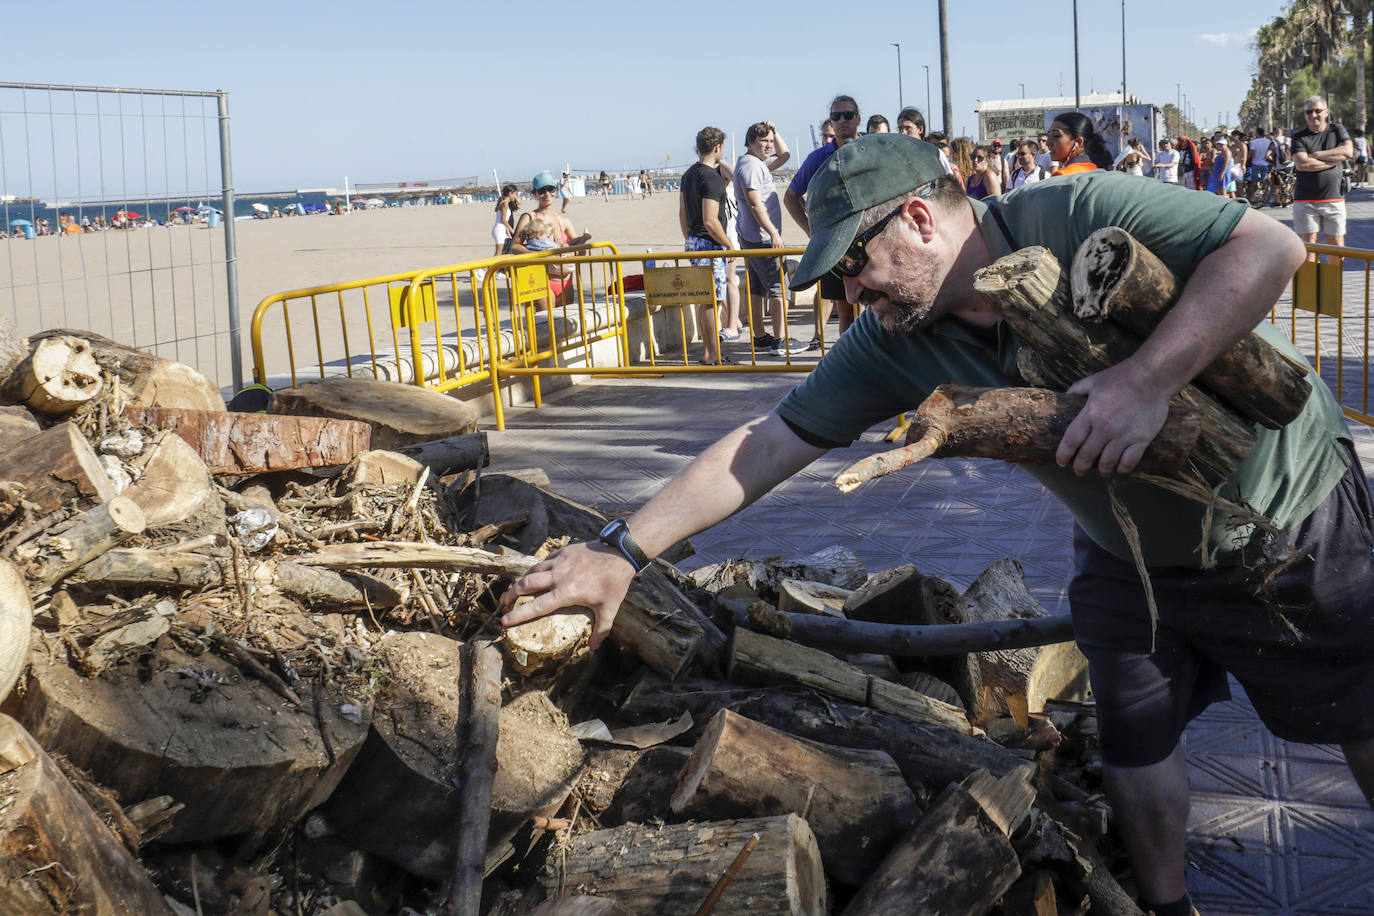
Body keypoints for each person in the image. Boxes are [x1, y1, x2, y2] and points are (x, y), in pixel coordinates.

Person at [499, 133, 1374, 916]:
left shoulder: (1076, 209)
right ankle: (1167, 904)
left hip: (1286, 518)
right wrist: (621, 551)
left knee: (1360, 713)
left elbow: (1271, 244)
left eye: (857, 264)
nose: (851, 293)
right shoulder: (891, 338)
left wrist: (1146, 379)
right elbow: (766, 443)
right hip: (1126, 554)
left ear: (919, 217)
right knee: (1136, 740)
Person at [785, 94, 862, 347]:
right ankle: (850, 369)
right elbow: (791, 197)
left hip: (872, 242)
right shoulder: (818, 158)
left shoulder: (872, 150)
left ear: (858, 118)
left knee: (876, 313)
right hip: (837, 247)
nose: (842, 120)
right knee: (847, 314)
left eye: (848, 115)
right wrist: (814, 233)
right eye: (836, 116)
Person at [735, 121, 804, 356]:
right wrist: (774, 232)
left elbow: (784, 155)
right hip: (762, 237)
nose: (769, 145)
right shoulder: (751, 166)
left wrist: (775, 131)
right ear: (751, 142)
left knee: (756, 287)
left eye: (770, 141)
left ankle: (760, 336)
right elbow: (755, 204)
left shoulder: (757, 163)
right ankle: (780, 340)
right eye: (763, 141)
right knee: (778, 287)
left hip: (752, 236)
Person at [679, 126, 733, 366]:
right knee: (712, 299)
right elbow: (711, 219)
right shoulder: (711, 177)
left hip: (693, 240)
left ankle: (710, 351)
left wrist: (689, 237)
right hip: (708, 244)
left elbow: (682, 213)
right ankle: (712, 353)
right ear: (717, 148)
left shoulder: (688, 175)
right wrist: (728, 243)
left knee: (707, 299)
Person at [512, 171, 592, 302]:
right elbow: (515, 247)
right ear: (535, 194)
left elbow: (579, 253)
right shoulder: (529, 217)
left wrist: (583, 241)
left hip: (565, 281)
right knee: (545, 320)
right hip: (539, 279)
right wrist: (538, 256)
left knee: (564, 321)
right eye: (542, 190)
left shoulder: (563, 220)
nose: (547, 194)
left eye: (551, 189)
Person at [1292, 95, 1354, 259]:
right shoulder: (1299, 137)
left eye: (1318, 111)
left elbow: (1348, 151)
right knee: (1310, 245)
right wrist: (1333, 161)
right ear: (1305, 115)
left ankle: (1333, 284)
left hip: (1334, 199)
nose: (1313, 115)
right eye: (1309, 112)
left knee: (1336, 245)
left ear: (1326, 112)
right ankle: (1311, 284)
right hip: (1305, 201)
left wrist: (1319, 155)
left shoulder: (1337, 130)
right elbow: (1302, 164)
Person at [1046, 112, 1112, 175]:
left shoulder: (1064, 176)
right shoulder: (1096, 170)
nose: (1048, 143)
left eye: (1056, 135)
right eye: (1049, 135)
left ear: (1078, 142)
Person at [1247, 129, 1276, 201]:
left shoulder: (1253, 142)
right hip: (1265, 163)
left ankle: (1253, 197)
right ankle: (1265, 197)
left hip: (1255, 163)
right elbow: (1271, 152)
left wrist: (1249, 157)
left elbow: (1252, 153)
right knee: (1265, 181)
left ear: (1257, 133)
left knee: (1254, 181)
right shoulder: (1268, 141)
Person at [491, 183, 519, 257]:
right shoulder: (505, 204)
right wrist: (513, 232)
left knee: (502, 253)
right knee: (498, 254)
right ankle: (480, 269)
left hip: (502, 230)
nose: (515, 196)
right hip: (499, 230)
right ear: (510, 193)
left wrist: (509, 234)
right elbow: (503, 220)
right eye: (515, 194)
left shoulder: (503, 202)